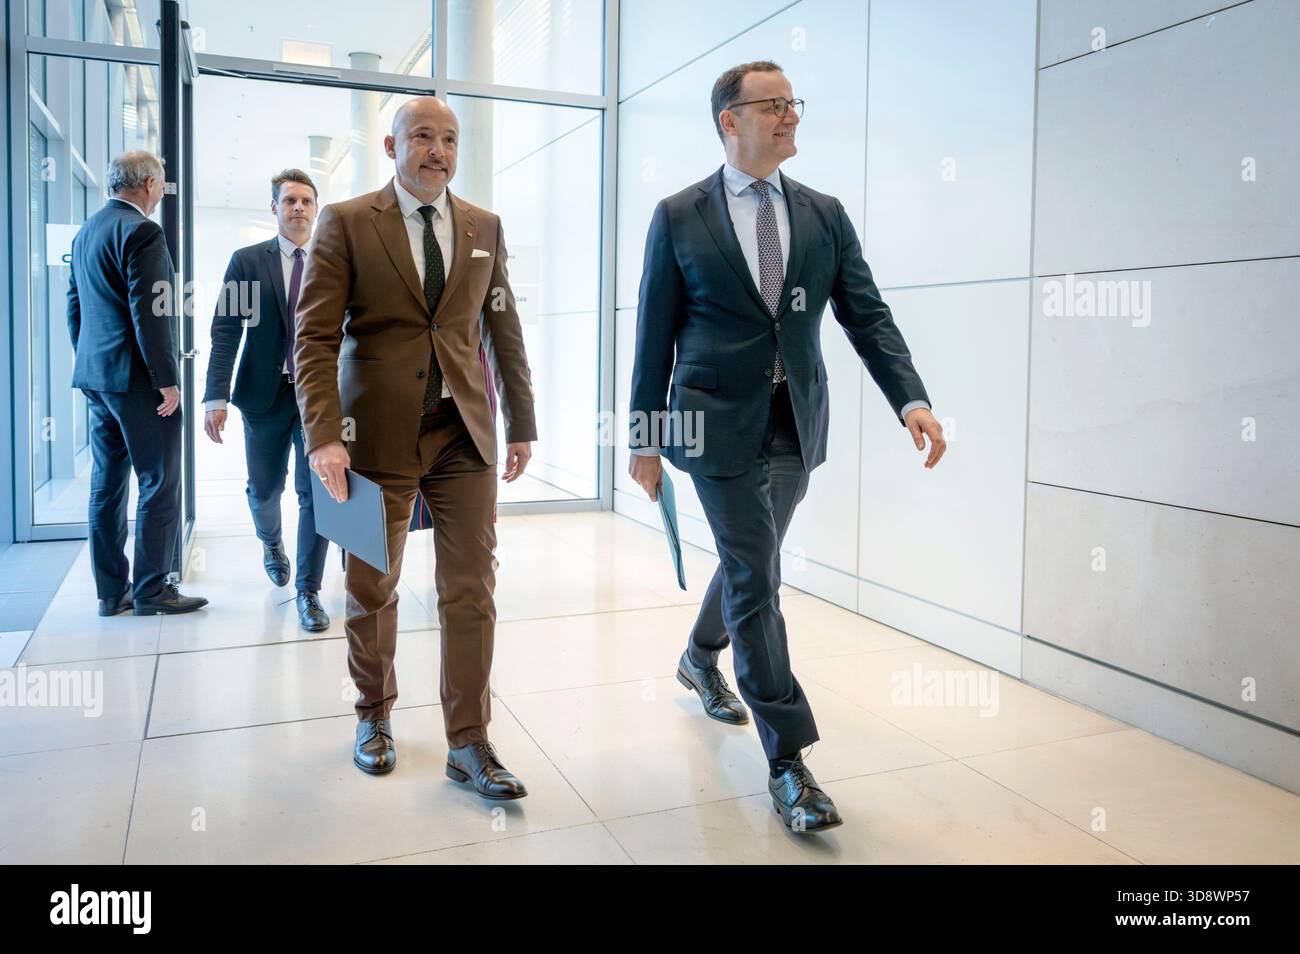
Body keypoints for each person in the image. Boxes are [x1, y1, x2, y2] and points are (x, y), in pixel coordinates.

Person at [628, 62, 947, 833]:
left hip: (796, 419)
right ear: (728, 120)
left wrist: (912, 396)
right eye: (773, 106)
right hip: (710, 421)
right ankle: (789, 762)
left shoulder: (824, 214)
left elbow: (865, 316)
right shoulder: (679, 215)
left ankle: (699, 657)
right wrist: (643, 437)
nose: (789, 116)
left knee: (752, 562)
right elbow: (653, 333)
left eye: (792, 104)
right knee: (755, 576)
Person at [294, 97, 537, 795]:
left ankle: (471, 741)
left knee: (472, 590)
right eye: (423, 136)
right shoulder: (344, 222)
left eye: (450, 139)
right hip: (370, 438)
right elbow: (314, 337)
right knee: (372, 586)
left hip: (464, 431)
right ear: (391, 146)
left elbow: (503, 328)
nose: (438, 150)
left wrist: (520, 421)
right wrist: (322, 436)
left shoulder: (483, 226)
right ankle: (373, 716)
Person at [67, 150, 207, 618]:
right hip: (137, 381)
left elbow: (75, 306)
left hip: (97, 378)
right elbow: (152, 313)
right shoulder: (143, 231)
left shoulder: (88, 231)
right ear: (149, 184)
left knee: (106, 485)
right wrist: (167, 381)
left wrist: (91, 364)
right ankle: (152, 590)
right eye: (162, 185)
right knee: (159, 481)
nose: (161, 193)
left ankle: (112, 593)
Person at [202, 169, 330, 632]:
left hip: (319, 395)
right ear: (274, 208)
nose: (298, 208)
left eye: (306, 201)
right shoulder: (247, 262)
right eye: (289, 200)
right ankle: (271, 541)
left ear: (316, 209)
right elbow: (225, 331)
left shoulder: (334, 259)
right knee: (265, 488)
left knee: (315, 491)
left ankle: (309, 591)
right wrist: (214, 394)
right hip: (263, 394)